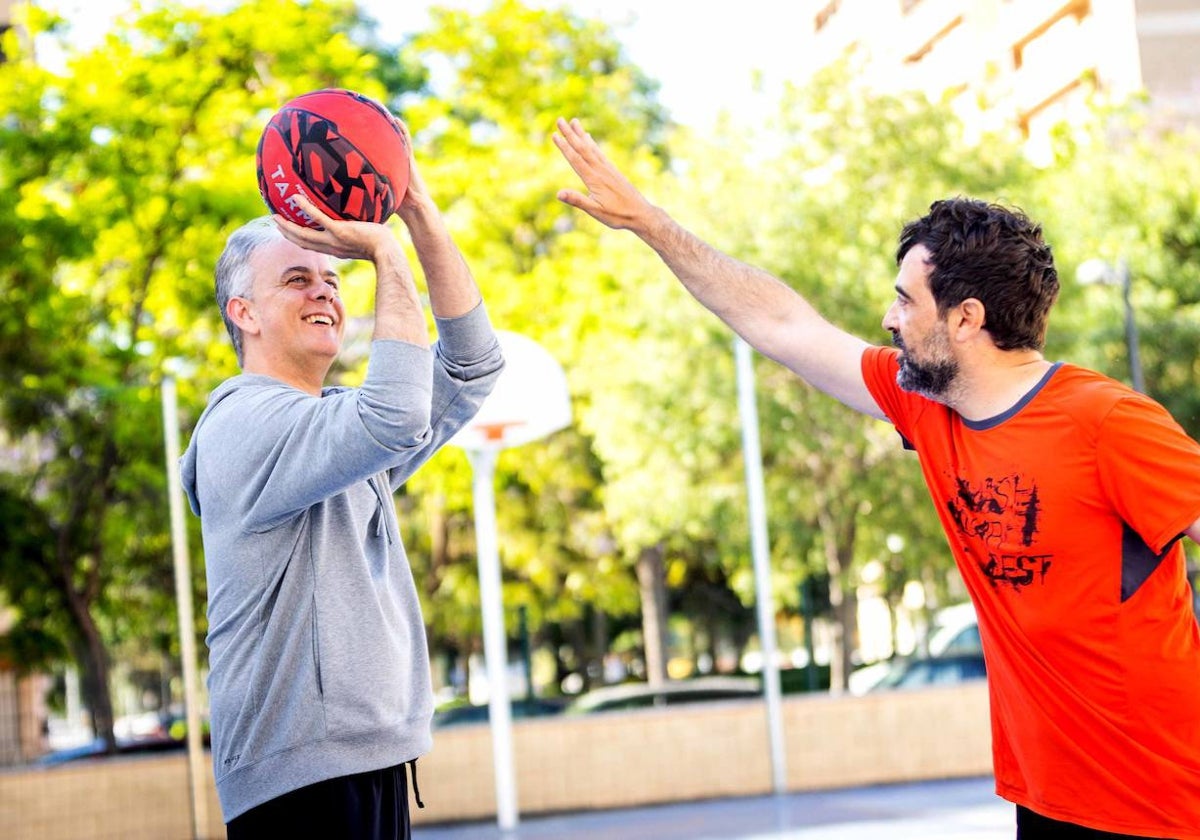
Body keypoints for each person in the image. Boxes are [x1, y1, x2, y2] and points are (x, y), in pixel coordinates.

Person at [552, 117, 1200, 839]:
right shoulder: (926, 406)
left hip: (1167, 803)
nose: (888, 319)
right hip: (1050, 799)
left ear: (966, 319)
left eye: (905, 300)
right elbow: (784, 324)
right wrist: (651, 223)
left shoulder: (1107, 421)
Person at [180, 138, 504, 839]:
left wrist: (416, 209)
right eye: (298, 279)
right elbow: (395, 413)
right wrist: (385, 253)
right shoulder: (242, 424)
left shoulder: (338, 436)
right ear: (245, 313)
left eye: (333, 278)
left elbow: (473, 366)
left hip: (365, 764)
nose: (326, 289)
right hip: (300, 782)